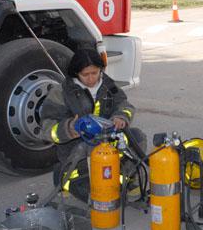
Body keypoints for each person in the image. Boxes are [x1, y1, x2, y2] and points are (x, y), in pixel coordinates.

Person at [40, 48, 145, 198]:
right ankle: (63, 176)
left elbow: (124, 104)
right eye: (85, 75)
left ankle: (124, 177)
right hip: (77, 150)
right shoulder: (61, 92)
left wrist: (121, 117)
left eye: (94, 73)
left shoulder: (108, 85)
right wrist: (70, 128)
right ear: (76, 73)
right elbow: (46, 128)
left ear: (100, 70)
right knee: (96, 197)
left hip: (107, 141)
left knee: (137, 137)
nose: (91, 79)